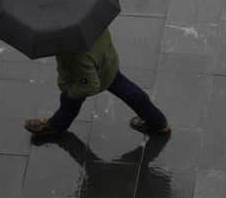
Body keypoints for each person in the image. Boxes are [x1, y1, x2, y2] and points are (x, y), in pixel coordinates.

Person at [23, 28, 171, 136]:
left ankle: (55, 126)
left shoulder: (76, 55)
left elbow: (90, 86)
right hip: (107, 63)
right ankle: (158, 122)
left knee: (69, 100)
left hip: (87, 76)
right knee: (130, 92)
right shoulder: (92, 21)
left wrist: (70, 91)